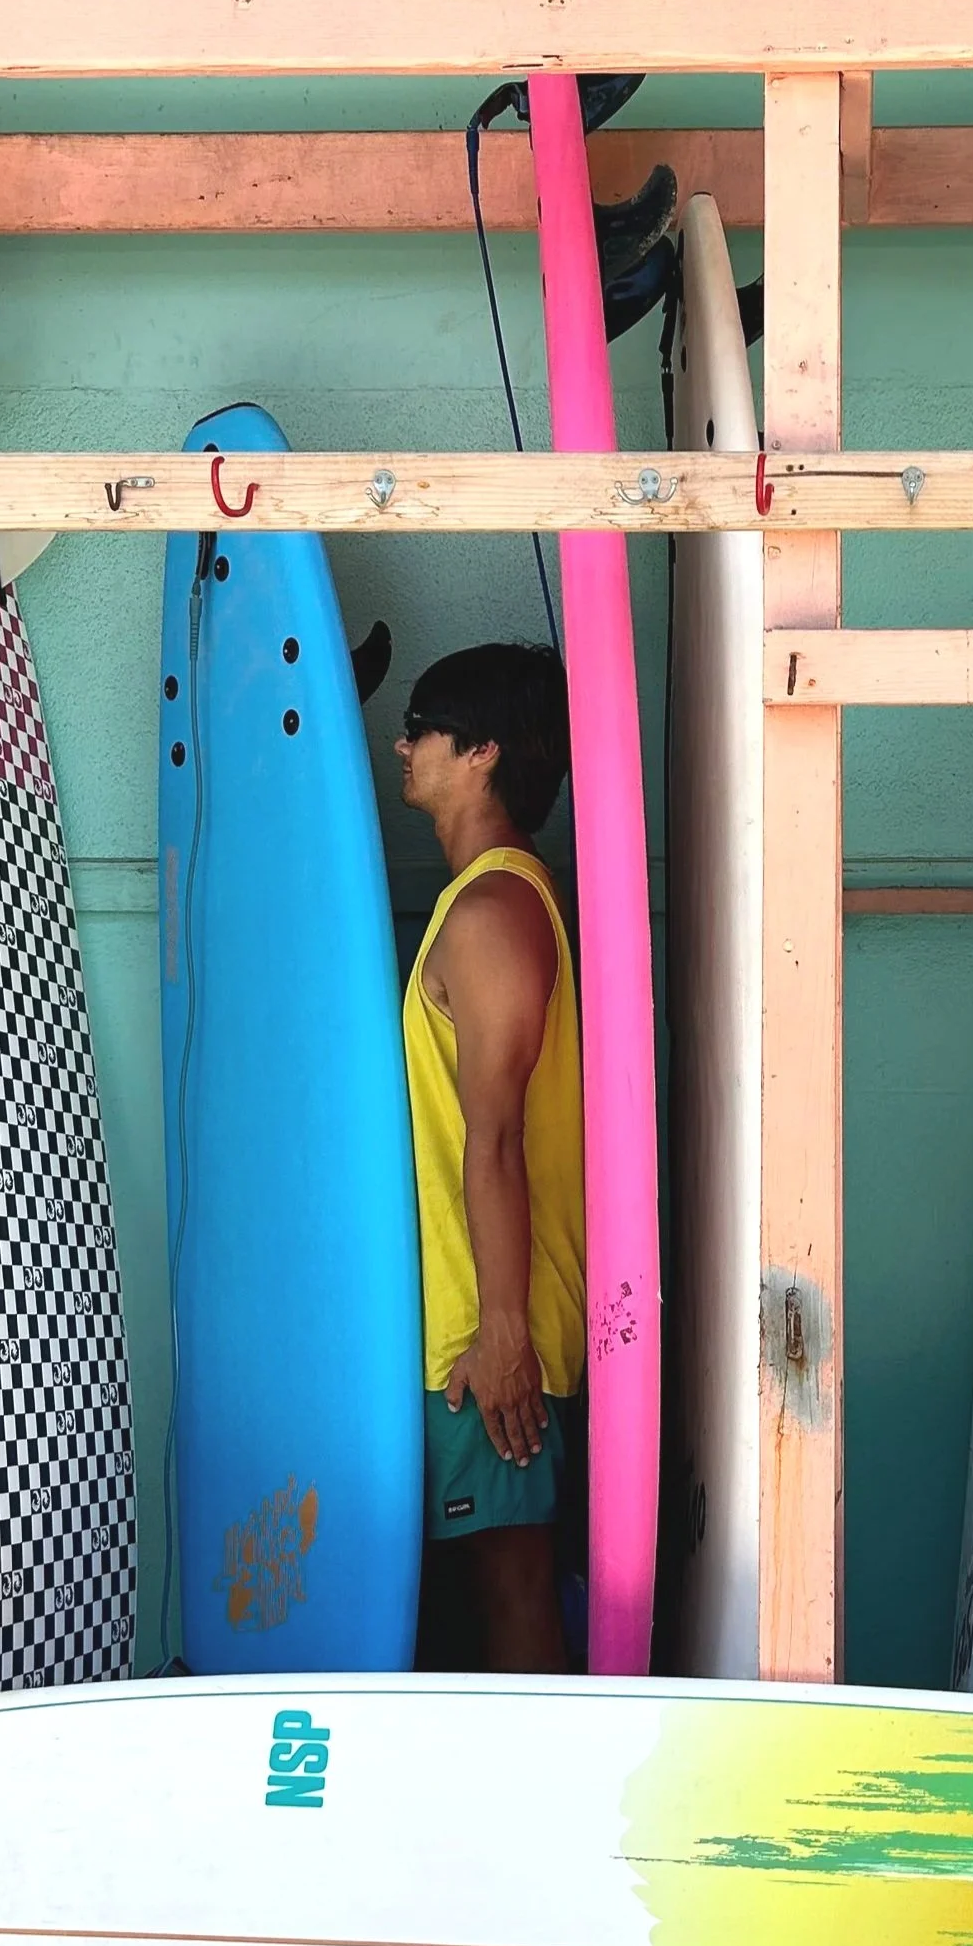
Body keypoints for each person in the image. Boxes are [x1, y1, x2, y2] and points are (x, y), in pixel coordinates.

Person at [394, 641, 586, 1671]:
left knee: (513, 1597)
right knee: (482, 1601)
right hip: (472, 1319)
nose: (401, 744)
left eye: (421, 725)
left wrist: (504, 1329)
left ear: (480, 754)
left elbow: (499, 1133)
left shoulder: (491, 909)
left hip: (491, 1328)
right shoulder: (479, 901)